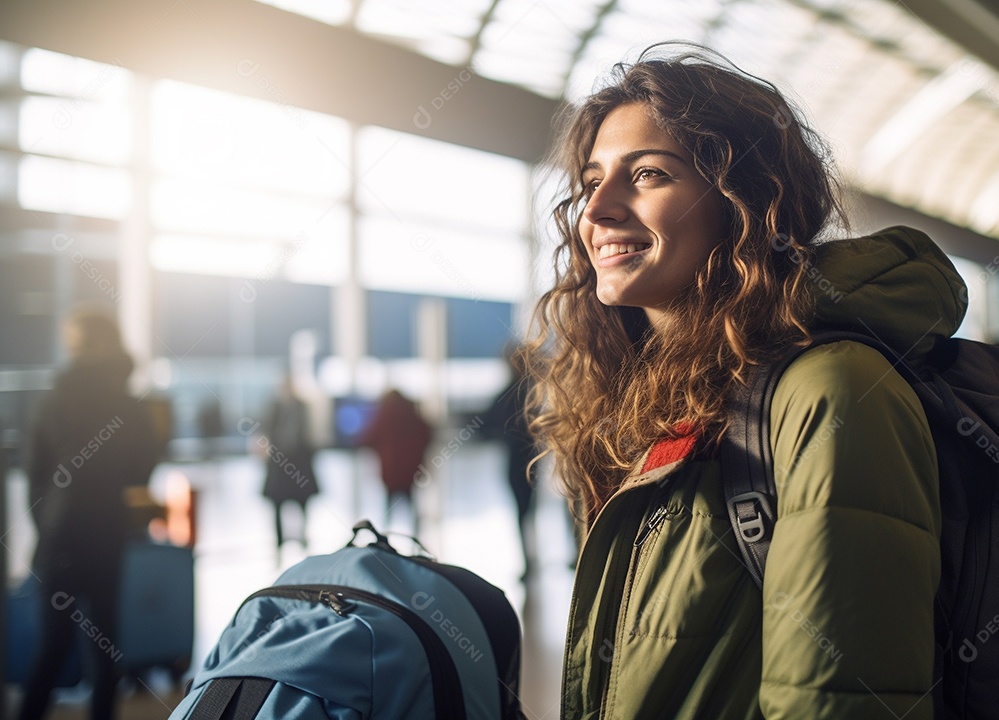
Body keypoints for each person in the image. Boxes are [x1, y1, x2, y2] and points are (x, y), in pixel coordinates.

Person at [522, 44, 949, 718]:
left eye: (649, 175)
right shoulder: (647, 396)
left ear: (743, 202)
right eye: (591, 179)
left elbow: (839, 702)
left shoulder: (832, 392)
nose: (597, 210)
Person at [19, 308, 159, 720]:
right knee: (105, 648)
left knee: (52, 648)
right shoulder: (130, 406)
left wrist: (47, 525)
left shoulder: (53, 398)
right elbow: (142, 469)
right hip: (107, 534)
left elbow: (33, 475)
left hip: (59, 537)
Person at [480, 351, 538, 580]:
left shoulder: (509, 393)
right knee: (527, 511)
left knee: (521, 512)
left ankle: (528, 561)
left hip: (516, 461)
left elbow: (486, 423)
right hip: (532, 460)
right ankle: (530, 559)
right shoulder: (531, 390)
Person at [357, 388, 433, 534]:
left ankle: (386, 535)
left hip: (391, 469)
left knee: (388, 506)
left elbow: (370, 438)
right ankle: (416, 534)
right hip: (411, 470)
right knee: (411, 503)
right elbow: (427, 434)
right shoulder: (412, 413)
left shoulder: (385, 413)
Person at [260, 375, 320, 555]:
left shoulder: (301, 407)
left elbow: (307, 434)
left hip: (298, 462)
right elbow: (267, 433)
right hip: (280, 464)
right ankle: (279, 541)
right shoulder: (274, 407)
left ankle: (302, 537)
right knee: (278, 505)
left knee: (302, 503)